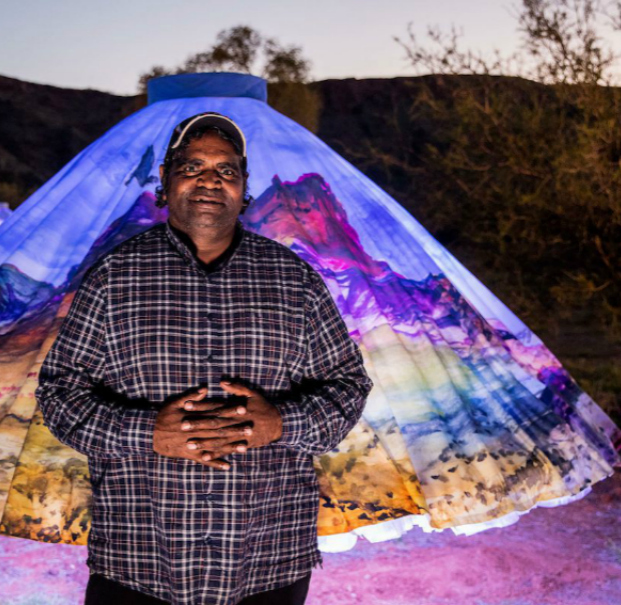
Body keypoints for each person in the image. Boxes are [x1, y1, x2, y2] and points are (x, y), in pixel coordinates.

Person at [35, 112, 374, 605]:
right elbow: (60, 393)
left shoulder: (294, 281)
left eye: (227, 170)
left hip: (268, 557)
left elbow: (348, 385)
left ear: (244, 190)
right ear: (165, 183)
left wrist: (280, 422)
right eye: (192, 167)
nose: (210, 180)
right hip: (139, 559)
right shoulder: (113, 278)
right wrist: (149, 431)